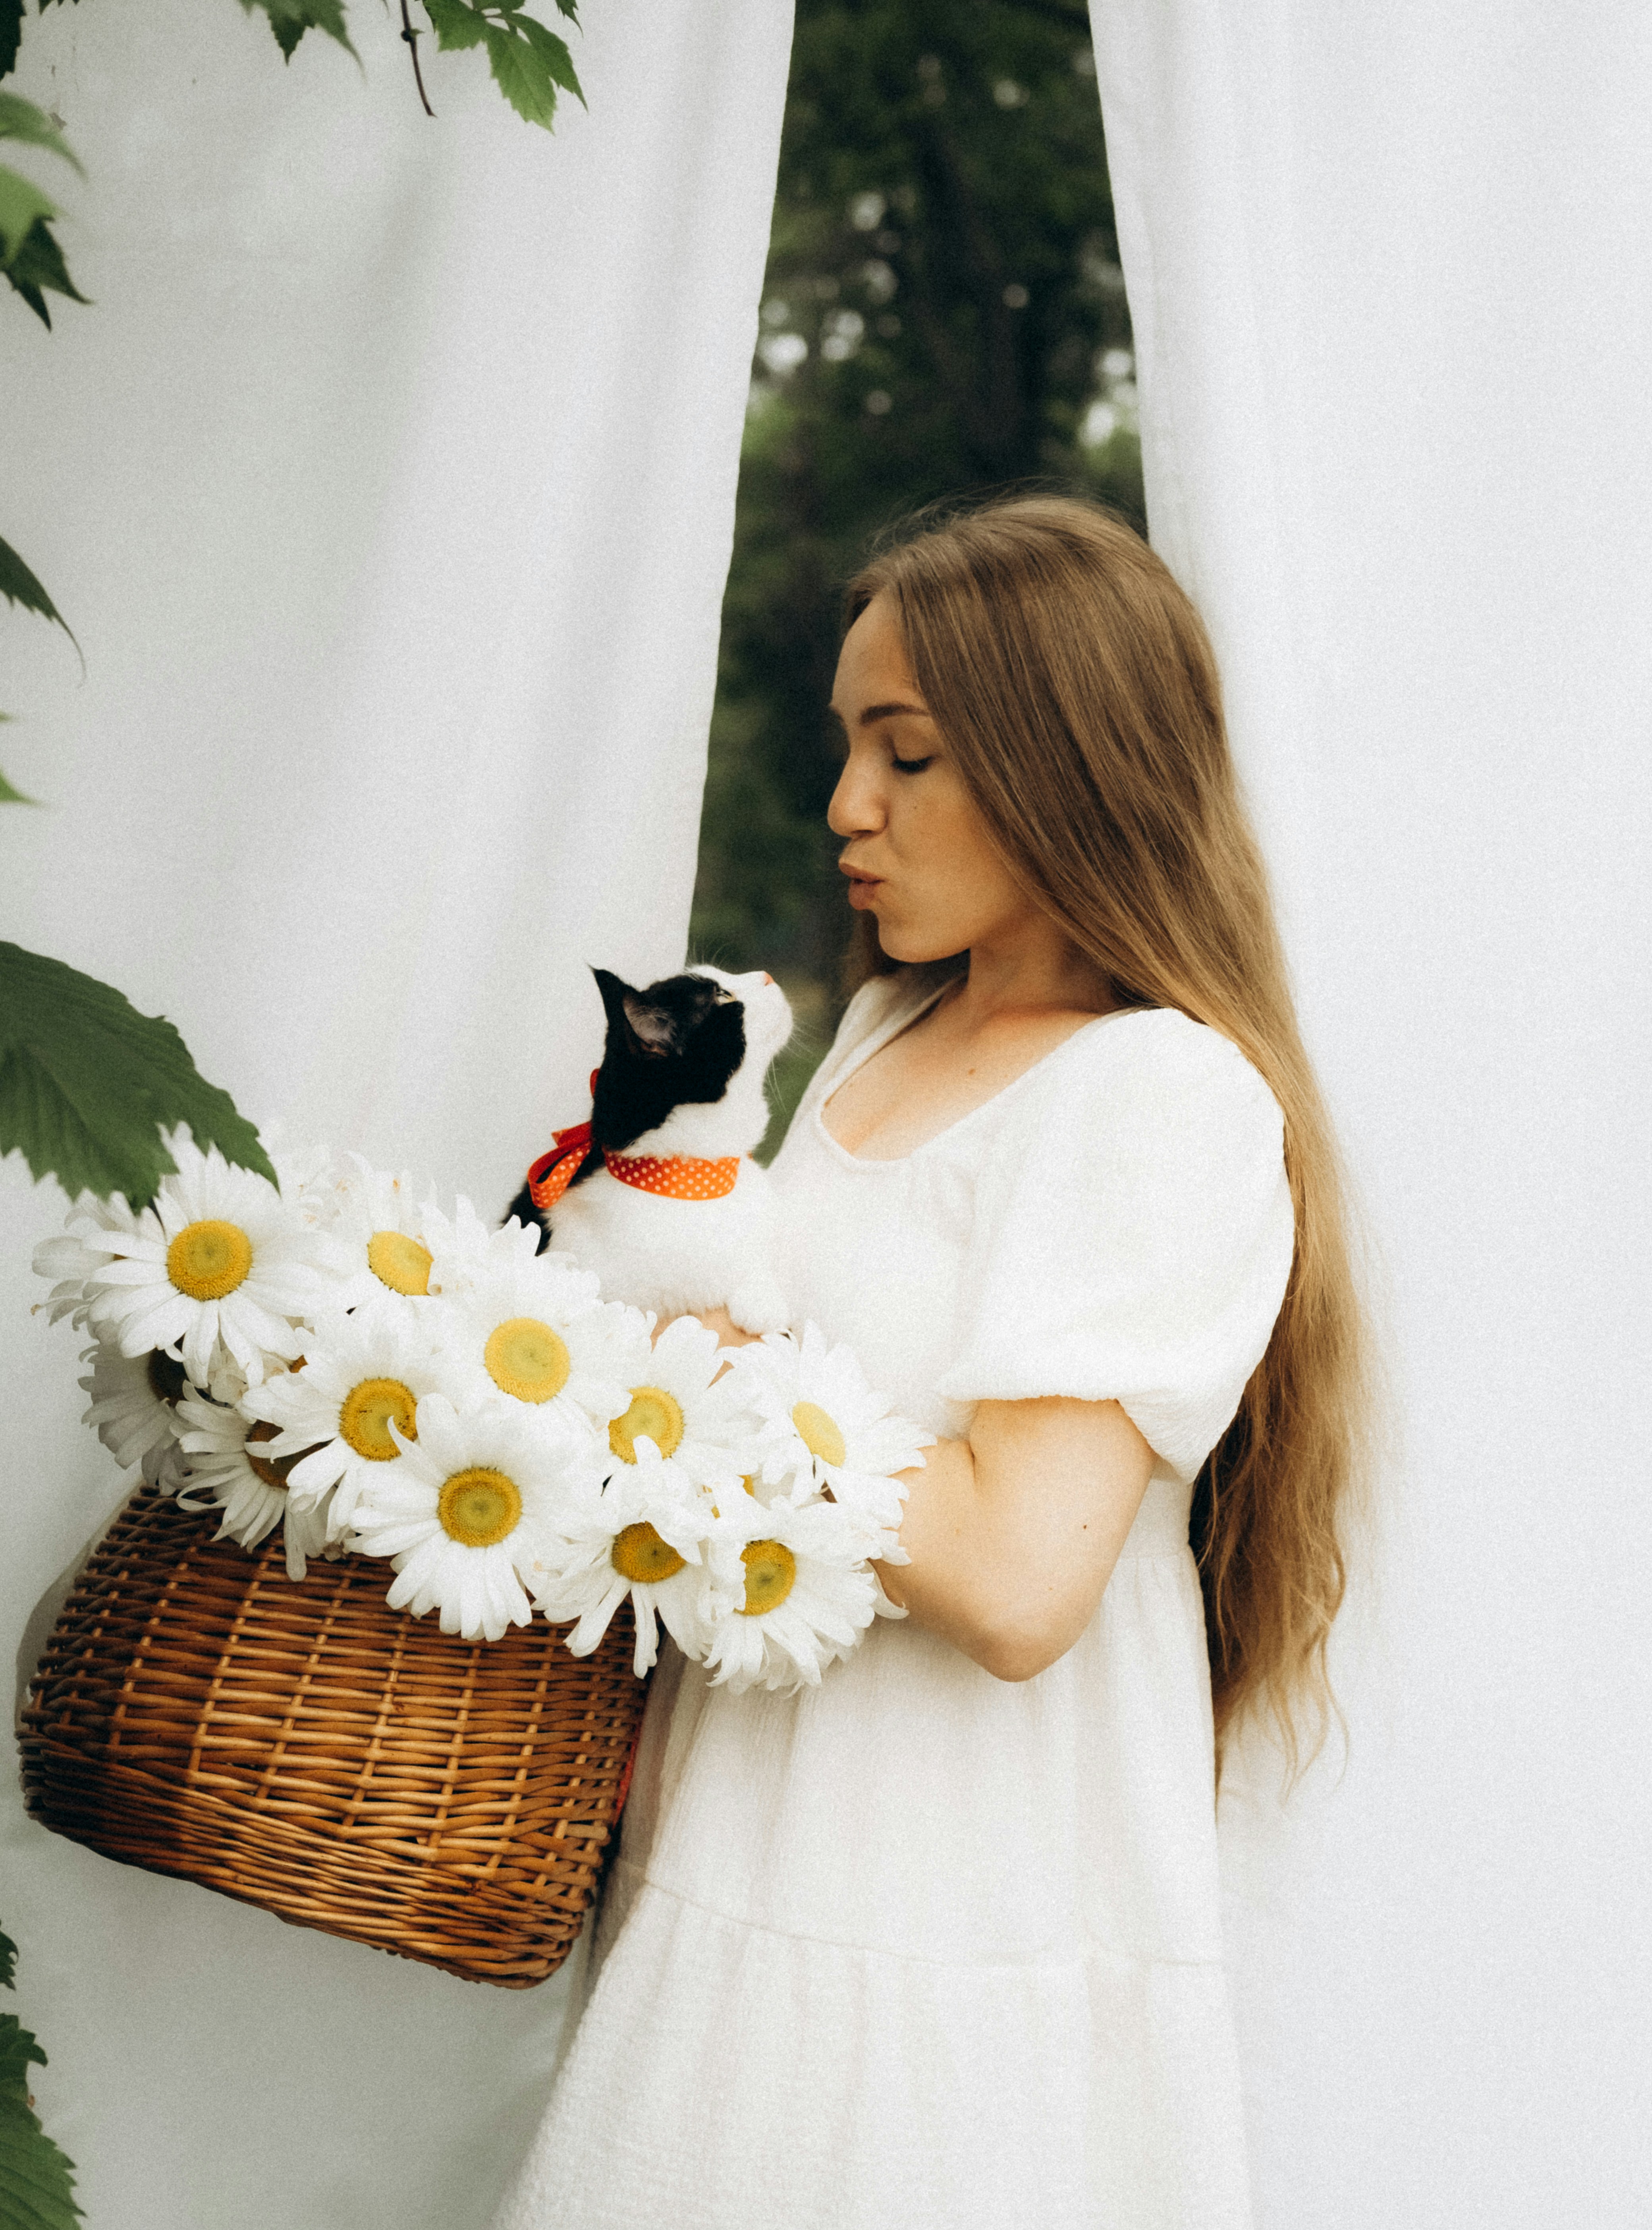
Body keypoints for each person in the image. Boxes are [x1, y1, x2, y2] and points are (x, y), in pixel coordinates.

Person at [492, 495, 1369, 2230]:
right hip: (737, 1857)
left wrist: (703, 1367)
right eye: (844, 748)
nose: (844, 810)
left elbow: (1014, 1575)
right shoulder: (888, 1032)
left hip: (946, 1924)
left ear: (1070, 766)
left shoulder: (1161, 1096)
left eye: (907, 754)